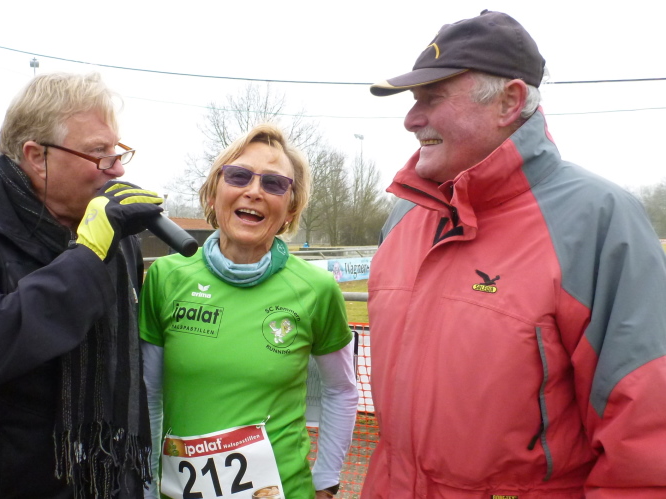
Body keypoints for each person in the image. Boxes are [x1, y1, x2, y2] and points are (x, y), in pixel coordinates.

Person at [362, 10, 666, 498]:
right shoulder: (404, 215)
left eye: (431, 98)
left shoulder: (599, 220)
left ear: (510, 101)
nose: (410, 119)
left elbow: (646, 439)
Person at [0, 72, 164, 498]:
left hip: (91, 485)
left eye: (117, 151)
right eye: (99, 153)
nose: (117, 168)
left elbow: (120, 380)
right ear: (37, 157)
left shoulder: (112, 235)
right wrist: (87, 258)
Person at [139, 123, 358, 499]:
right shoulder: (165, 277)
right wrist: (146, 485)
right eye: (238, 176)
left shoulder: (318, 289)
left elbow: (341, 389)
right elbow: (149, 393)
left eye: (274, 183)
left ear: (290, 208)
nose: (254, 191)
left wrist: (326, 481)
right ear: (213, 194)